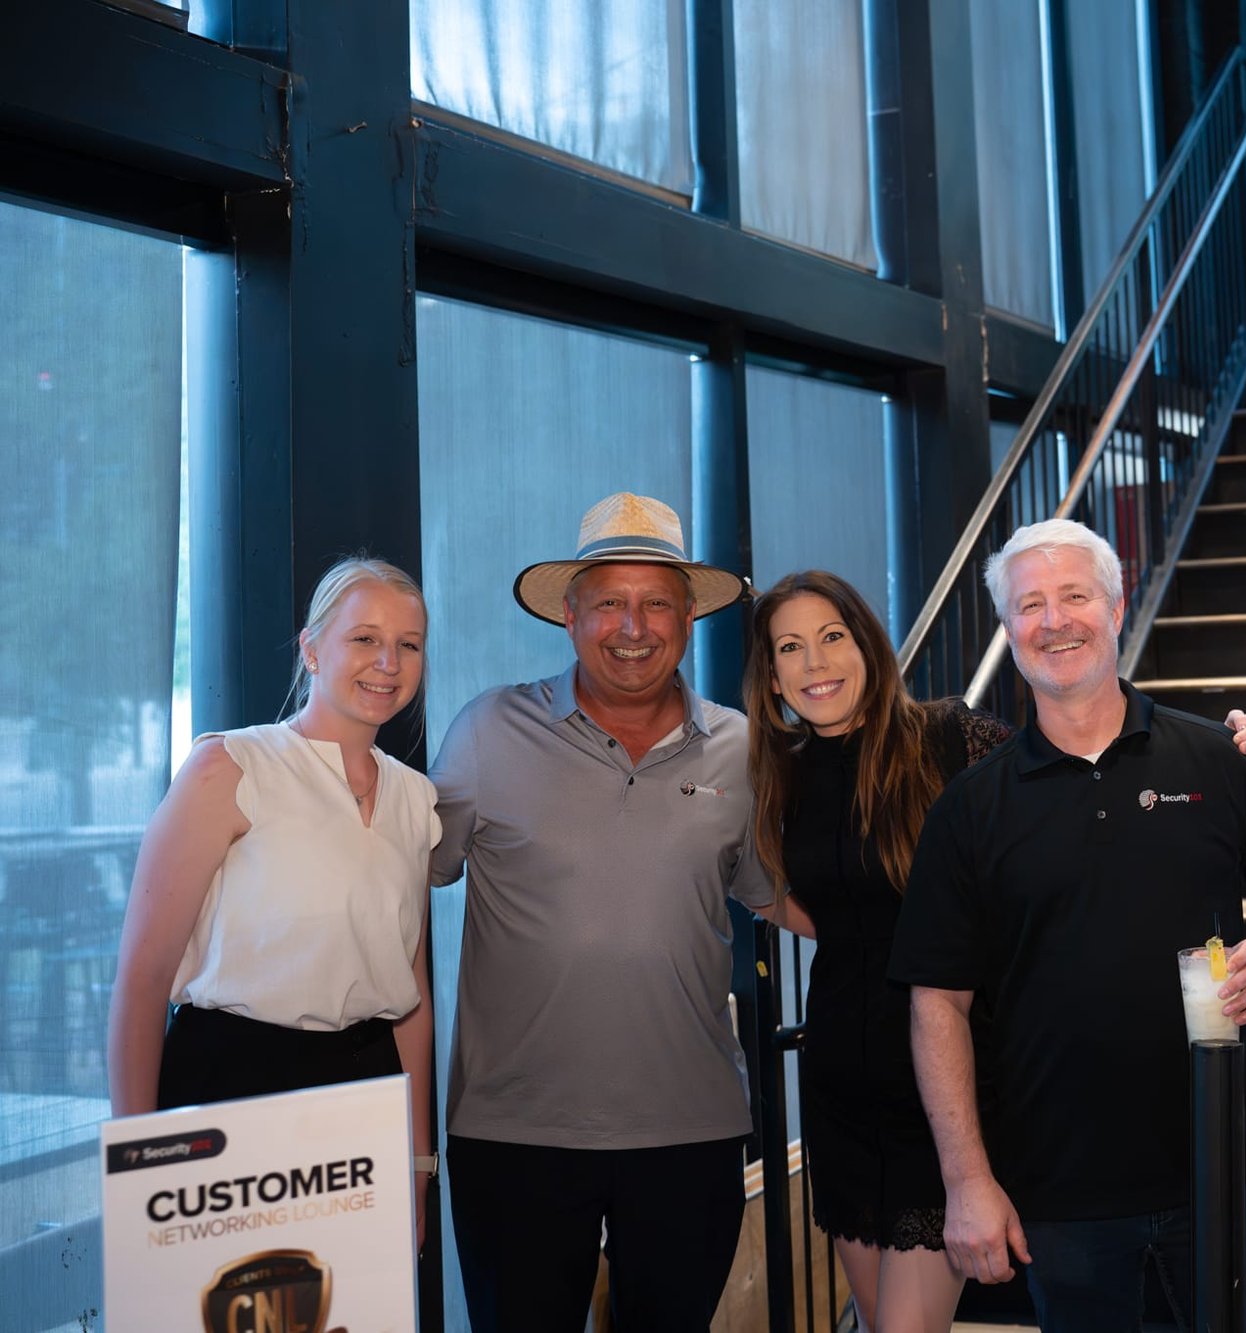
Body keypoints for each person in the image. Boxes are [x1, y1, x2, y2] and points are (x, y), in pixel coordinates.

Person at [743, 569, 1246, 1333]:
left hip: (941, 1088)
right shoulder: (780, 775)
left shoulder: (946, 739)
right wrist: (848, 928)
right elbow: (781, 894)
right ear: (770, 674)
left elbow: (1079, 764)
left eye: (832, 636)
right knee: (874, 1321)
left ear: (867, 645)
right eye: (790, 647)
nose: (815, 661)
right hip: (841, 1084)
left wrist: (1232, 751)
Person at [888, 519, 1246, 1332]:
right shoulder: (970, 807)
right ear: (1009, 629)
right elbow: (937, 1005)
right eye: (1030, 604)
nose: (1055, 619)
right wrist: (966, 1181)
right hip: (1064, 1200)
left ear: (1118, 604)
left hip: (1225, 1172)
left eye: (1074, 595)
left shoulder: (1216, 760)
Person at [429, 492, 804, 1333]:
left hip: (691, 1129)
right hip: (515, 1131)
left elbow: (784, 892)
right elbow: (399, 870)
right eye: (609, 602)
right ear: (570, 615)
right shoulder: (488, 730)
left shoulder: (743, 749)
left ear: (686, 617)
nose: (632, 625)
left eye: (655, 603)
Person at [107, 555, 439, 1239]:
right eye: (364, 638)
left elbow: (411, 996)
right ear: (313, 648)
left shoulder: (415, 797)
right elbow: (140, 982)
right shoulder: (230, 766)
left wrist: (417, 1161)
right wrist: (138, 1169)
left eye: (408, 644)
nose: (388, 661)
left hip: (365, 1091)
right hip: (234, 1082)